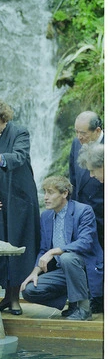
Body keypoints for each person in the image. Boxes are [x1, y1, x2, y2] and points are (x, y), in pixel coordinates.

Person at [0, 98, 40, 315]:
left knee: (16, 246)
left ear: (4, 117)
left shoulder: (20, 132)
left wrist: (0, 158)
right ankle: (1, 297)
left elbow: (20, 157)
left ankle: (14, 299)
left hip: (19, 199)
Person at [21, 176, 104, 321]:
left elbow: (85, 242)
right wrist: (34, 272)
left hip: (85, 268)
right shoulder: (46, 216)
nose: (45, 197)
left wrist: (54, 251)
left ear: (64, 193)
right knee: (29, 290)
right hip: (63, 271)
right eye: (45, 192)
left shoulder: (83, 210)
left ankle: (84, 309)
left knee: (67, 257)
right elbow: (43, 249)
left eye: (50, 192)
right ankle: (73, 304)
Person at [69, 111, 104, 313]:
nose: (79, 137)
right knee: (89, 255)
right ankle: (93, 299)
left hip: (102, 209)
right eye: (76, 132)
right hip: (84, 211)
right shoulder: (76, 144)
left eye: (83, 133)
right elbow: (72, 176)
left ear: (97, 130)